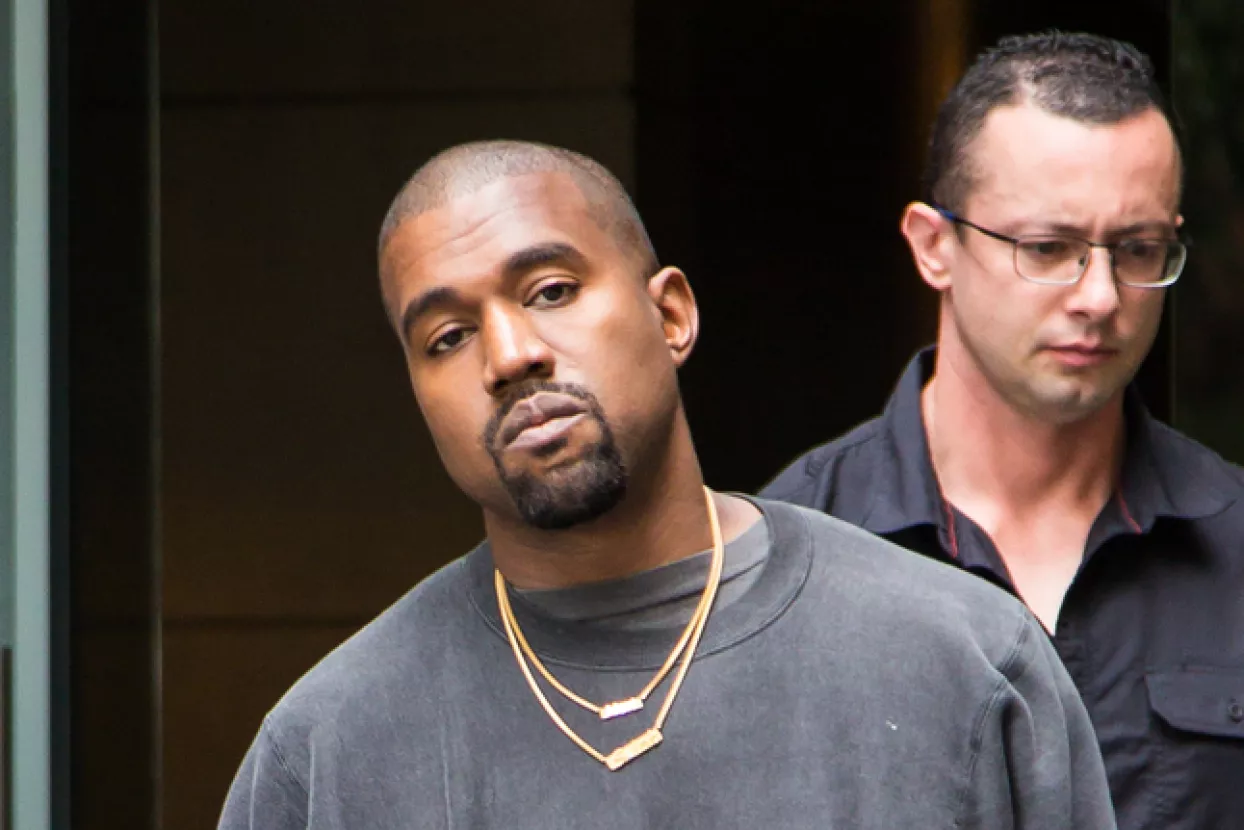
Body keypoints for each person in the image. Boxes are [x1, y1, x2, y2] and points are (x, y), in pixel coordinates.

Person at [218, 139, 1113, 829]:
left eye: (552, 289)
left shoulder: (961, 663)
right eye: (446, 338)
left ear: (672, 313)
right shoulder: (330, 750)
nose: (510, 355)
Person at [761, 31, 1244, 830]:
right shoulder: (789, 558)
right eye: (1048, 248)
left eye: (1138, 249)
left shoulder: (1235, 544)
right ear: (933, 245)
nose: (1098, 295)